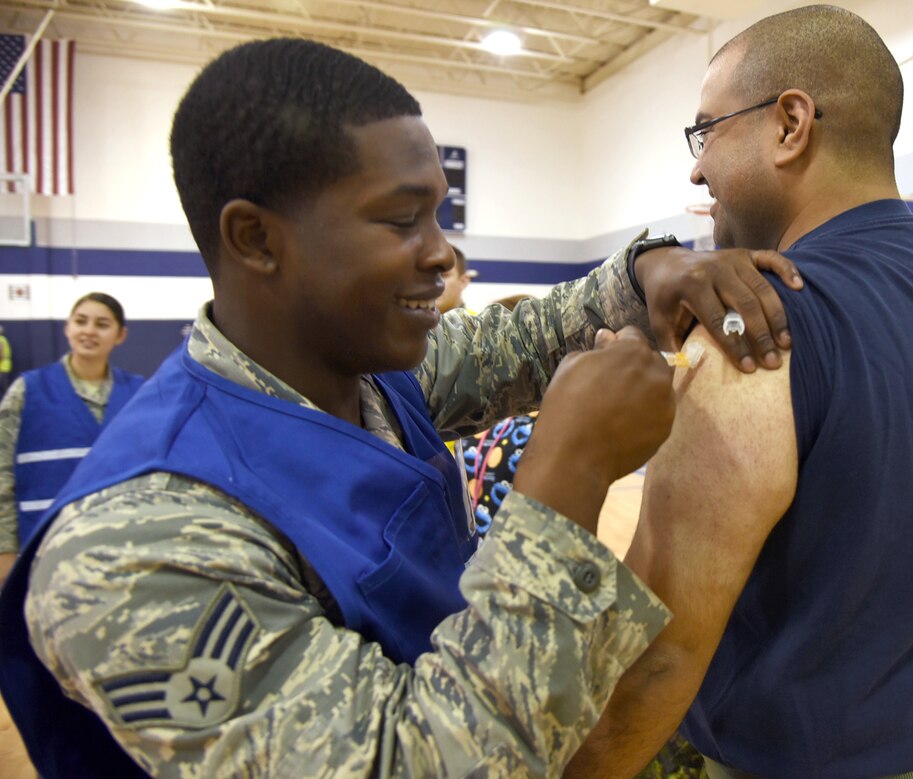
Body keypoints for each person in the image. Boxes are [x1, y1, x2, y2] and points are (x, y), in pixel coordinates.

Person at [0, 38, 803, 778]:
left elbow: (522, 338)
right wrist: (570, 472)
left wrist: (649, 270)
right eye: (400, 219)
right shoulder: (134, 545)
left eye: (439, 213)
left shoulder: (363, 376)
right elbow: (414, 761)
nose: (442, 252)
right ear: (254, 239)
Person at [569, 6, 913, 778]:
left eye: (706, 130)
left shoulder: (756, 329)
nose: (695, 167)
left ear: (789, 124)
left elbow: (658, 655)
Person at [0, 292, 143, 584]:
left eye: (102, 324)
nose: (89, 330)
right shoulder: (27, 391)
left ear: (120, 335)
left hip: (121, 547)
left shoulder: (140, 394)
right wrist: (4, 549)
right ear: (68, 327)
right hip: (44, 547)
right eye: (81, 321)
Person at [436, 243, 476, 313]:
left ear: (463, 281)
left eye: (443, 275)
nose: (433, 283)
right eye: (426, 276)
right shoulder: (412, 323)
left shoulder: (479, 323)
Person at [0, 324, 12, 396]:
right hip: (5, 366)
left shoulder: (1, 340)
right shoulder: (4, 339)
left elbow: (1, 354)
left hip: (2, 367)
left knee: (4, 388)